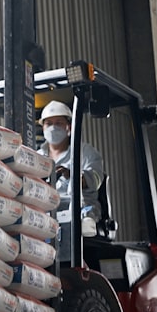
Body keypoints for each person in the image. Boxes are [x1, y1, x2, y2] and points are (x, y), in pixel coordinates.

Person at [38, 100, 104, 236]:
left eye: (58, 123)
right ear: (43, 128)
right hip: (46, 213)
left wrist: (73, 176)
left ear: (69, 127)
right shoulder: (36, 157)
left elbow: (97, 178)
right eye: (48, 124)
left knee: (81, 213)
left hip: (78, 211)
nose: (53, 128)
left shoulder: (84, 152)